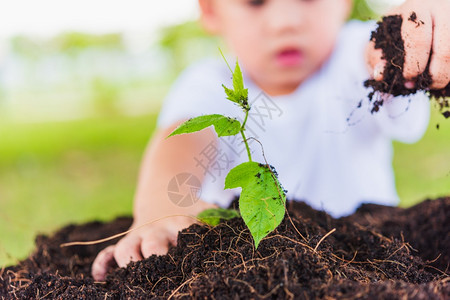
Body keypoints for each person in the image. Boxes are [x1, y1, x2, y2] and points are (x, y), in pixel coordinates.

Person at [92, 0, 450, 281]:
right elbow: (180, 143)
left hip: (372, 258)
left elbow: (379, 50)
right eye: (256, 1)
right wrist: (161, 210)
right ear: (211, 9)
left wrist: (407, 30)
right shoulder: (207, 84)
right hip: (248, 268)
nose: (285, 21)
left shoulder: (351, 60)